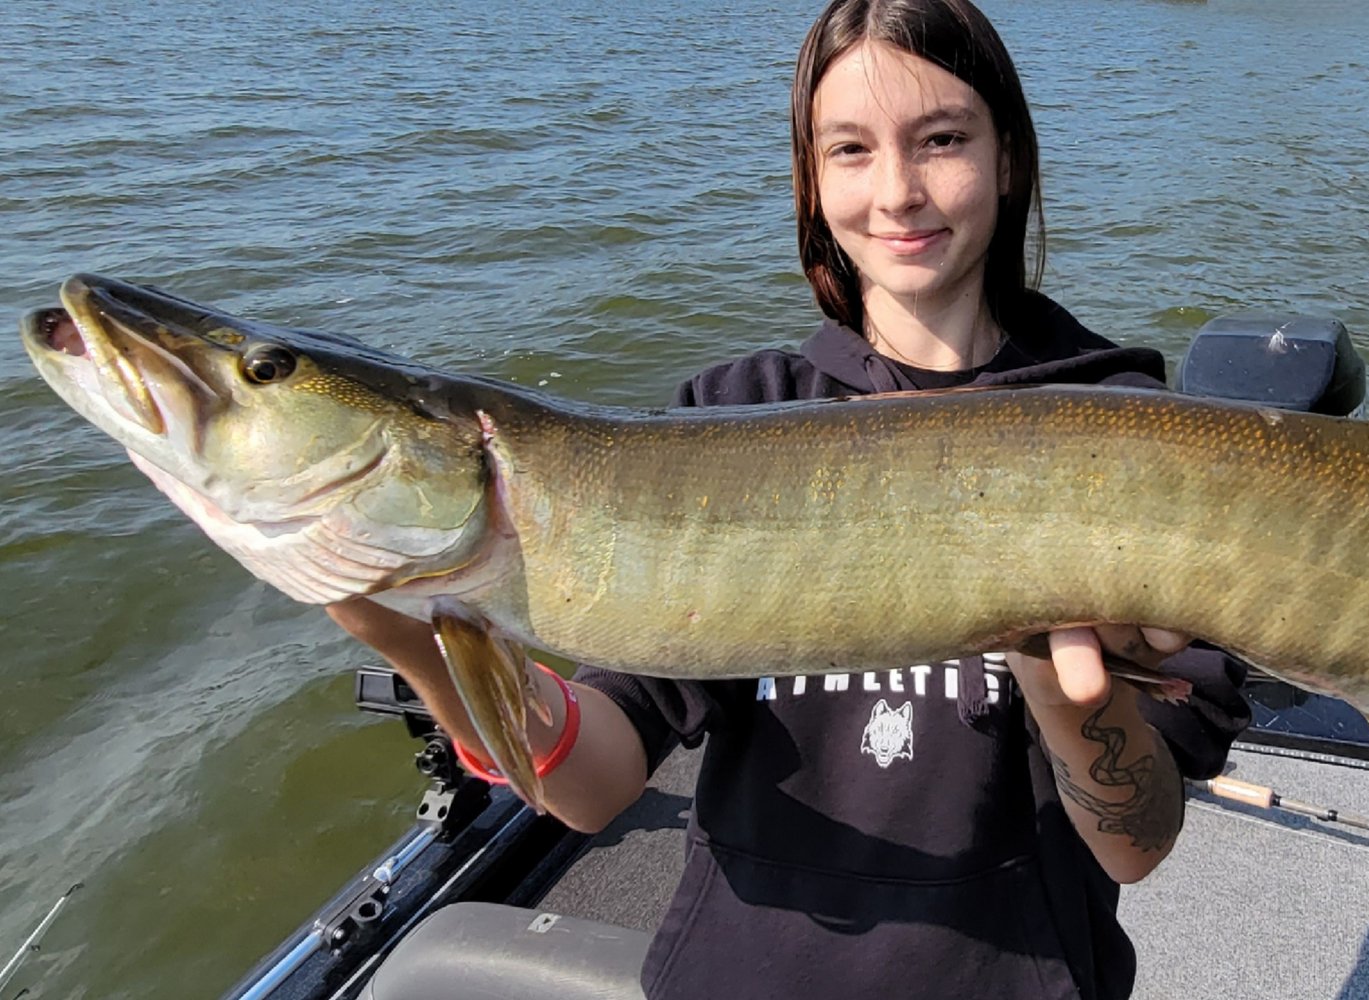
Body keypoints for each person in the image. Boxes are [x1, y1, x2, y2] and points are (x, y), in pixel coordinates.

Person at [326, 0, 1251, 997]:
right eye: (850, 149)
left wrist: (1062, 676)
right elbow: (594, 785)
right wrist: (410, 635)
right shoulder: (728, 415)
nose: (898, 191)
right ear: (812, 181)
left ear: (1008, 155)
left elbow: (1136, 844)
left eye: (941, 139)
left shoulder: (1135, 433)